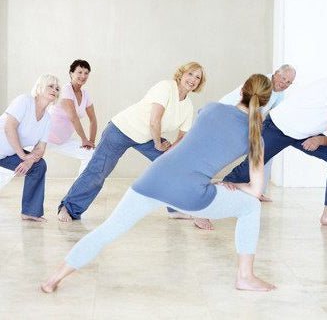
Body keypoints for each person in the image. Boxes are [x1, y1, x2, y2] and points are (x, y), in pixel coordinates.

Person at [42, 74, 276, 293]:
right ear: (265, 102)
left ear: (242, 90)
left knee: (108, 229)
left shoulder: (211, 108)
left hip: (153, 178)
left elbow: (201, 145)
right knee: (251, 206)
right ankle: (245, 277)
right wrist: (224, 183)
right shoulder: (255, 137)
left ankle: (54, 279)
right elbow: (255, 191)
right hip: (190, 193)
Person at [57, 62, 206, 222]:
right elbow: (155, 120)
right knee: (98, 172)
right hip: (121, 129)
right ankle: (68, 208)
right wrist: (158, 144)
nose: (193, 79)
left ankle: (176, 209)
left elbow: (182, 137)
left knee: (173, 166)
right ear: (182, 74)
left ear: (199, 83)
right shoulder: (166, 87)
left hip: (147, 137)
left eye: (198, 77)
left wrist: (169, 154)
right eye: (190, 74)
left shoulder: (188, 106)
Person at [194, 64, 296, 230]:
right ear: (276, 74)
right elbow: (240, 104)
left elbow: (274, 116)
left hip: (242, 124)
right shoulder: (260, 83)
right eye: (283, 79)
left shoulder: (280, 94)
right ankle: (201, 211)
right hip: (224, 120)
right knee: (209, 164)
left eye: (289, 82)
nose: (284, 83)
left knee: (266, 150)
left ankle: (257, 188)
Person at [223, 77, 327, 226]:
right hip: (279, 126)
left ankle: (326, 216)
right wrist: (320, 140)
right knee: (247, 171)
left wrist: (319, 140)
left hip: (304, 131)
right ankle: (205, 203)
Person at [0, 74, 60, 221]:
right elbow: (9, 127)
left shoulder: (47, 118)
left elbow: (40, 148)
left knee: (39, 165)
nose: (55, 90)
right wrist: (23, 156)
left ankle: (30, 211)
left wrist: (29, 161)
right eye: (50, 86)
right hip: (10, 152)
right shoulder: (24, 101)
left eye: (57, 88)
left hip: (6, 155)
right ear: (40, 87)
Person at [47, 60, 97, 176]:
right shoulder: (66, 90)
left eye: (86, 73)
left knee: (90, 154)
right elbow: (74, 117)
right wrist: (84, 139)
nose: (83, 76)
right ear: (71, 73)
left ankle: (78, 192)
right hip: (44, 136)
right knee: (19, 162)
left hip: (63, 140)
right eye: (79, 72)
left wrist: (91, 141)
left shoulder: (85, 94)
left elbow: (93, 119)